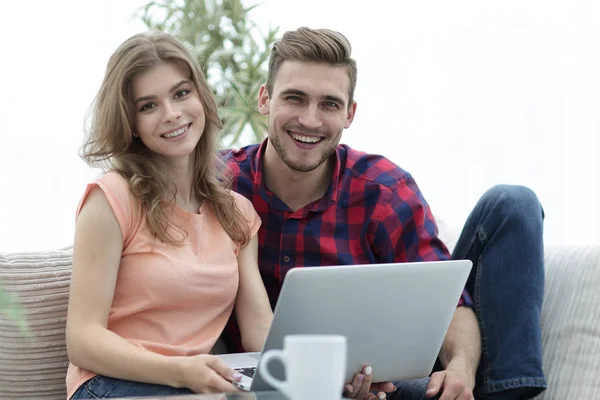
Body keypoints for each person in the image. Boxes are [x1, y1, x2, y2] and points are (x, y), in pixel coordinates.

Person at [221, 27, 546, 400]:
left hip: (383, 381)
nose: (310, 120)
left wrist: (460, 369)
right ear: (264, 99)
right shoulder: (217, 186)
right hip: (268, 383)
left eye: (329, 103)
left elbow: (450, 300)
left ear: (350, 113)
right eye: (295, 98)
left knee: (513, 204)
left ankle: (506, 394)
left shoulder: (383, 190)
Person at [65, 31, 273, 399]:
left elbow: (260, 332)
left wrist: (328, 371)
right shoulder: (111, 199)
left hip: (195, 387)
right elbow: (83, 340)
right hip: (111, 384)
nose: (172, 114)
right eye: (148, 106)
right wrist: (180, 371)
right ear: (130, 122)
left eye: (181, 93)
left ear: (200, 97)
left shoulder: (237, 214)